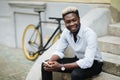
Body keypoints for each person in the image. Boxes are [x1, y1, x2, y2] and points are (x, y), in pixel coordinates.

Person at [41, 6, 103, 80]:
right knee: (45, 65)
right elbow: (59, 51)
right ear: (65, 22)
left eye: (74, 20)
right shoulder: (66, 32)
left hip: (94, 64)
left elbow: (88, 62)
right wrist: (50, 62)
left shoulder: (90, 34)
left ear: (79, 19)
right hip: (78, 59)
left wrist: (61, 66)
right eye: (68, 22)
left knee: (76, 74)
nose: (72, 24)